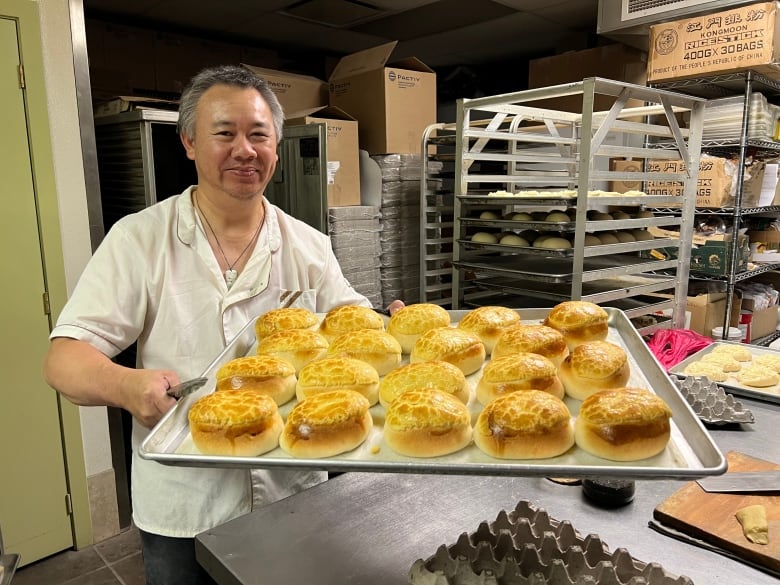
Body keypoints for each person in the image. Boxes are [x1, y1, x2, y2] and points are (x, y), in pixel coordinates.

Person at [44, 64, 403, 585]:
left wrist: (388, 325)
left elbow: (351, 323)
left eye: (259, 135)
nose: (244, 150)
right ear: (189, 142)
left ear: (276, 147)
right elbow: (64, 357)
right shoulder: (140, 240)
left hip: (292, 489)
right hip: (186, 500)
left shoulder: (307, 244)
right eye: (224, 133)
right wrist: (125, 385)